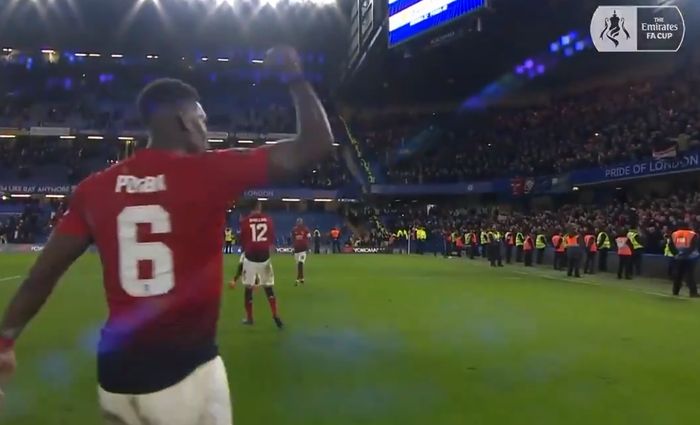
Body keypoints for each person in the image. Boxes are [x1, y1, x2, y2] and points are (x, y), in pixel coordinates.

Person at [0, 46, 333, 425]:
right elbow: (315, 144)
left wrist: (6, 341)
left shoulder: (95, 189)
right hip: (181, 372)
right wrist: (295, 77)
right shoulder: (211, 172)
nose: (207, 129)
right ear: (185, 121)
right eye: (203, 120)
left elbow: (42, 275)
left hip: (116, 374)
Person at [239, 202, 282, 328]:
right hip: (264, 257)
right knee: (268, 288)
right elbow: (271, 239)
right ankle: (275, 314)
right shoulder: (268, 220)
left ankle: (250, 318)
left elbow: (243, 239)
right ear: (259, 207)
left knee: (248, 289)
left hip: (251, 257)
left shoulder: (245, 221)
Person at [669, 225, 699, 298]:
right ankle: (693, 292)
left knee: (678, 275)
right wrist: (687, 253)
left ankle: (675, 291)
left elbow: (670, 245)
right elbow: (694, 245)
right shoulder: (692, 234)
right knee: (690, 275)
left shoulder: (675, 234)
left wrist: (675, 254)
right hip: (689, 258)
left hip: (678, 258)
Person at [291, 217, 310, 286]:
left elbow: (309, 237)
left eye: (300, 222)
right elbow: (293, 240)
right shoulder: (294, 230)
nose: (299, 223)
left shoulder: (305, 229)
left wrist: (308, 247)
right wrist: (293, 248)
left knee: (300, 263)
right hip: (296, 250)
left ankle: (297, 279)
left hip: (303, 250)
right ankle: (302, 278)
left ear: (302, 222)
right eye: (298, 222)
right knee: (298, 265)